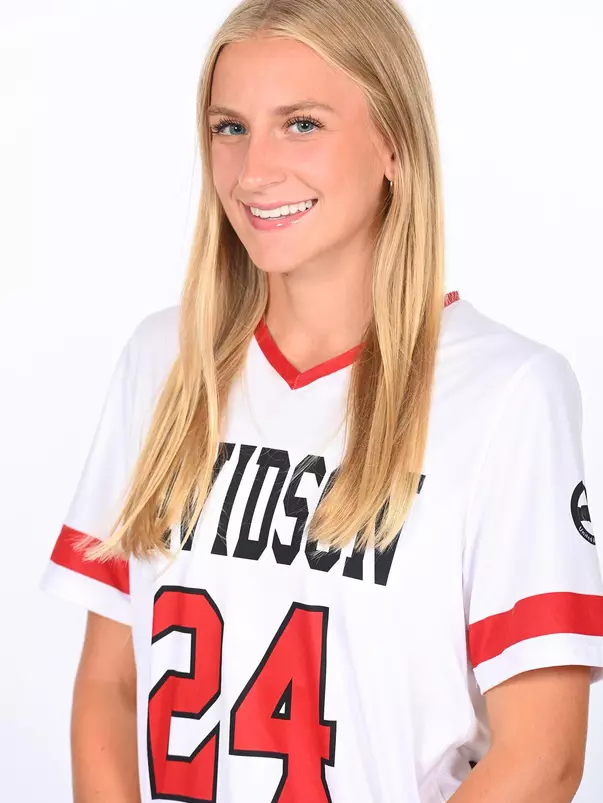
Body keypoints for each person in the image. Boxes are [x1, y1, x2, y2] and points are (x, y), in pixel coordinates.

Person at [39, 1, 603, 801]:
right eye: (229, 127)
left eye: (300, 124)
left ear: (394, 145)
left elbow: (543, 756)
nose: (253, 170)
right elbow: (110, 685)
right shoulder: (164, 361)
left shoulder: (510, 392)